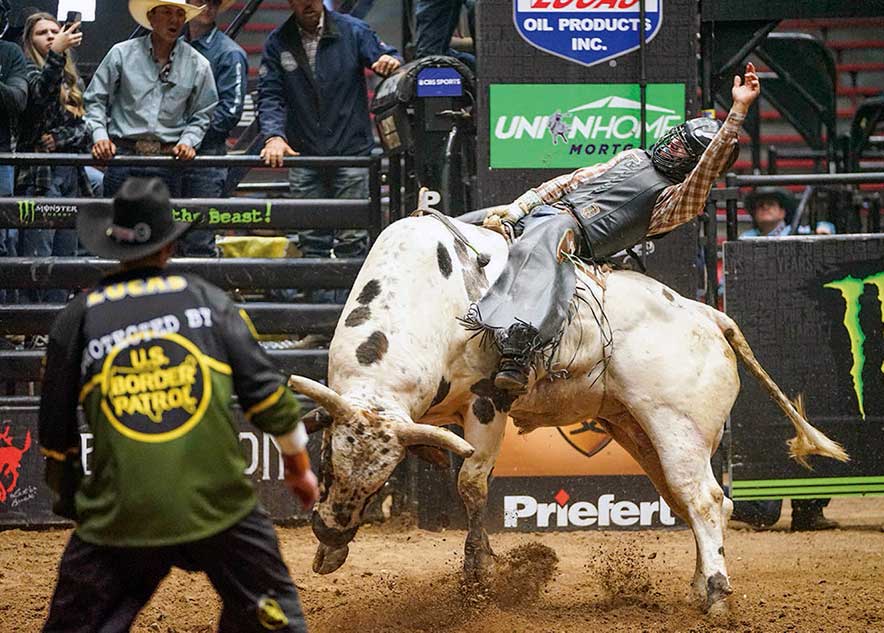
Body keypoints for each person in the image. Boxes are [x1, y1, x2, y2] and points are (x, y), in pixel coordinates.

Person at [39, 177, 319, 633]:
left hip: (121, 512)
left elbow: (55, 436)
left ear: (111, 246)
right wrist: (299, 470)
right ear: (169, 248)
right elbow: (271, 399)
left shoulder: (79, 316)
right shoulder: (207, 301)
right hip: (219, 505)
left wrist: (75, 502)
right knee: (276, 620)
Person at [470, 63, 760, 394]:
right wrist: (520, 207)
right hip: (544, 214)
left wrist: (737, 111)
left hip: (577, 238)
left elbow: (706, 171)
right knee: (463, 224)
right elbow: (573, 180)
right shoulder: (634, 157)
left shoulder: (678, 200)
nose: (671, 146)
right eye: (676, 138)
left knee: (552, 232)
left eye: (683, 148)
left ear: (693, 162)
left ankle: (518, 349)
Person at [257, 0, 401, 303]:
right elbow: (270, 94)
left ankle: (350, 321)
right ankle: (319, 322)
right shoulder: (279, 41)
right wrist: (273, 137)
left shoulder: (354, 31)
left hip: (349, 153)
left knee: (353, 239)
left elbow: (387, 57)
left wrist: (388, 61)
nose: (307, 2)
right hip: (305, 154)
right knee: (312, 240)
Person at [730, 184, 837, 532]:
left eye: (771, 204)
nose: (765, 209)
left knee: (812, 414)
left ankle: (809, 507)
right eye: (760, 205)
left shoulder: (805, 235)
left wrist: (826, 233)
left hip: (804, 339)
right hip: (763, 339)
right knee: (766, 420)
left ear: (784, 211)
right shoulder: (745, 240)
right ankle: (759, 505)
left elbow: (830, 237)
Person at [83, 0, 218, 198]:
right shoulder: (121, 53)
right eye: (166, 12)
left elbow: (203, 112)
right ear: (151, 17)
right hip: (123, 155)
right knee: (116, 225)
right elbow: (95, 99)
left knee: (161, 227)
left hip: (168, 160)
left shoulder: (198, 64)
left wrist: (188, 141)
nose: (174, 20)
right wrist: (100, 136)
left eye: (180, 14)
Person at [16, 12, 91, 303]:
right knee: (39, 253)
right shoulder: (25, 70)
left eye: (53, 31)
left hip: (70, 172)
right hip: (38, 174)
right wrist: (56, 55)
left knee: (65, 254)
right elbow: (38, 104)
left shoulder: (72, 78)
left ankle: (58, 322)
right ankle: (33, 324)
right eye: (41, 33)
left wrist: (59, 137)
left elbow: (83, 128)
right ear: (29, 40)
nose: (49, 36)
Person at [181, 0, 248, 257]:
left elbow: (229, 113)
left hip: (205, 159)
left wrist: (186, 137)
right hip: (175, 156)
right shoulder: (176, 46)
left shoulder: (229, 53)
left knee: (198, 240)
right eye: (200, 1)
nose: (208, 6)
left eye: (213, 1)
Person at [0, 0, 30, 303]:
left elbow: (17, 99)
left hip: (1, 158)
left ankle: (4, 321)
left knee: (2, 240)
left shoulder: (9, 53)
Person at [741, 186, 835, 237]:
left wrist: (823, 229)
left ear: (782, 212)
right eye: (760, 205)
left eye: (770, 204)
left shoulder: (798, 232)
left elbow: (827, 227)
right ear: (755, 214)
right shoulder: (746, 237)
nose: (765, 207)